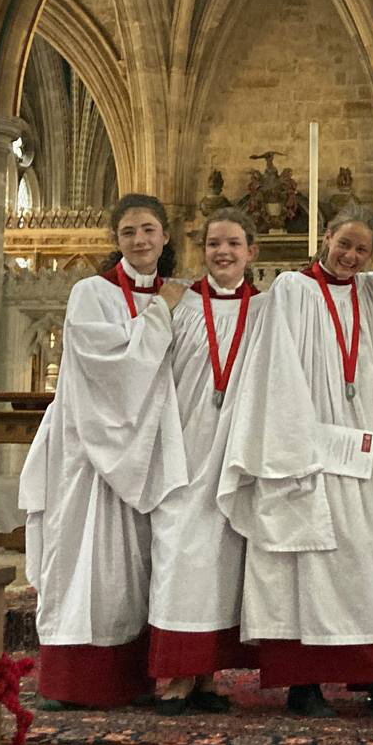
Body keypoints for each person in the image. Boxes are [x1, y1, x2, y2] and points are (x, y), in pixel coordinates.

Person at [218, 205, 373, 721]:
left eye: (362, 250)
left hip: (363, 445)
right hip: (309, 443)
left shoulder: (369, 292)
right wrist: (295, 443)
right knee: (305, 559)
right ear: (325, 238)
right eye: (344, 244)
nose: (350, 256)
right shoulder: (294, 291)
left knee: (368, 555)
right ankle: (303, 684)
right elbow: (275, 366)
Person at [20, 193, 189, 709]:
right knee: (83, 560)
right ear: (116, 243)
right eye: (128, 232)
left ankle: (129, 679)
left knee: (135, 567)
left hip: (149, 449)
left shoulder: (179, 295)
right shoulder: (91, 293)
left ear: (165, 237)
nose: (139, 240)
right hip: (89, 453)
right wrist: (161, 314)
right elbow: (108, 367)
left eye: (148, 230)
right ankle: (72, 682)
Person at [148, 207, 265, 715]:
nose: (223, 252)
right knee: (178, 560)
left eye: (234, 244)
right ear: (203, 249)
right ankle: (173, 676)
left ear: (250, 252)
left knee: (222, 566)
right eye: (215, 243)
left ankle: (207, 676)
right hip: (182, 449)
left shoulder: (267, 309)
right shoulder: (176, 303)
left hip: (235, 454)